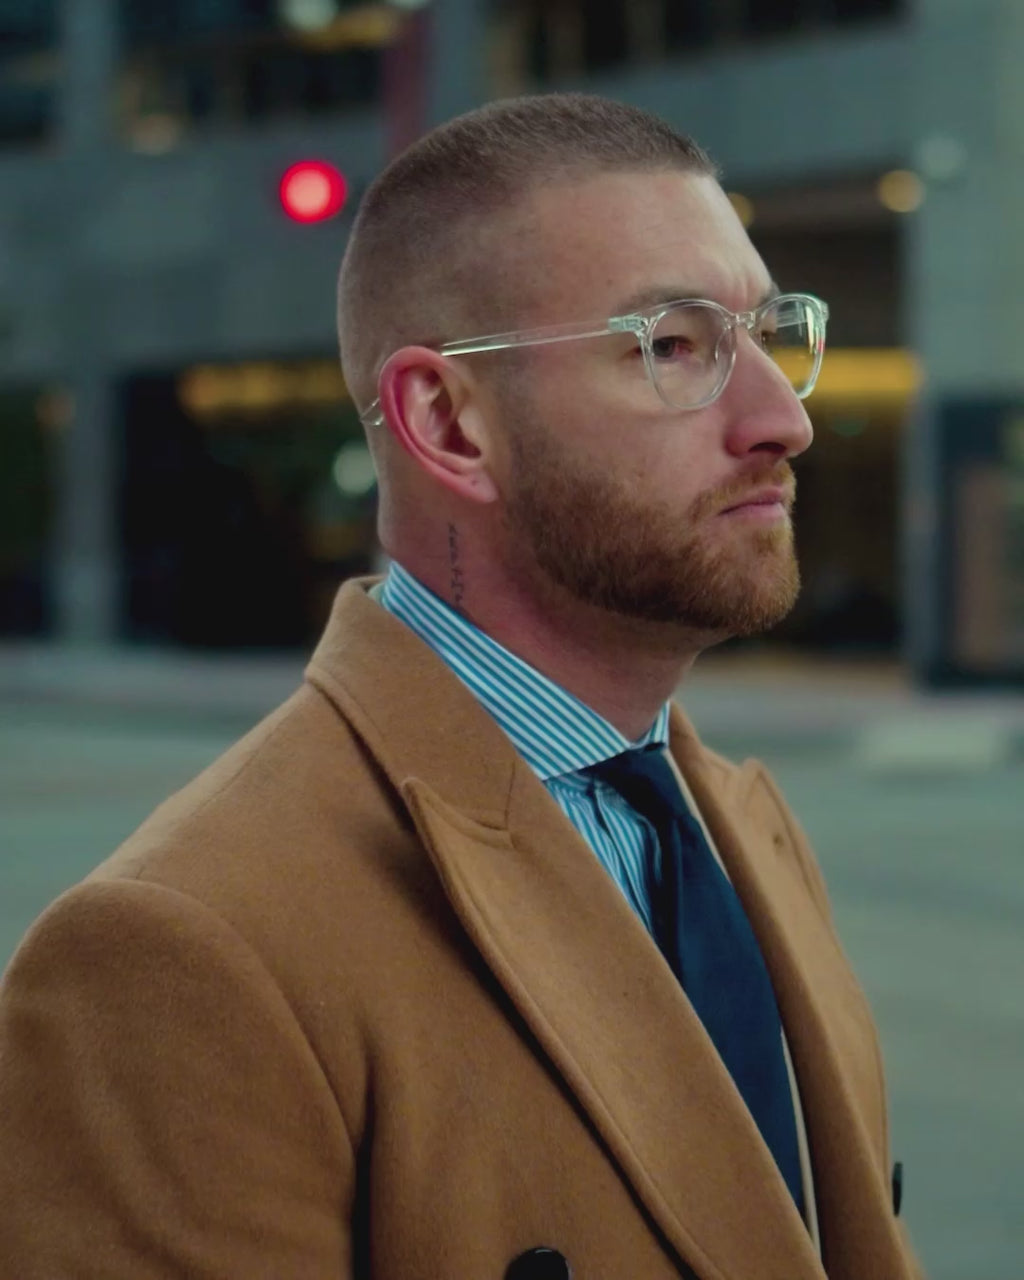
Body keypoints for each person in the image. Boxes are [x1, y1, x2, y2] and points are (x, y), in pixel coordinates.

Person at [0, 93, 922, 1280]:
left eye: (769, 330)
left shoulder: (742, 823)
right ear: (447, 423)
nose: (782, 418)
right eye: (672, 346)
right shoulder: (175, 955)